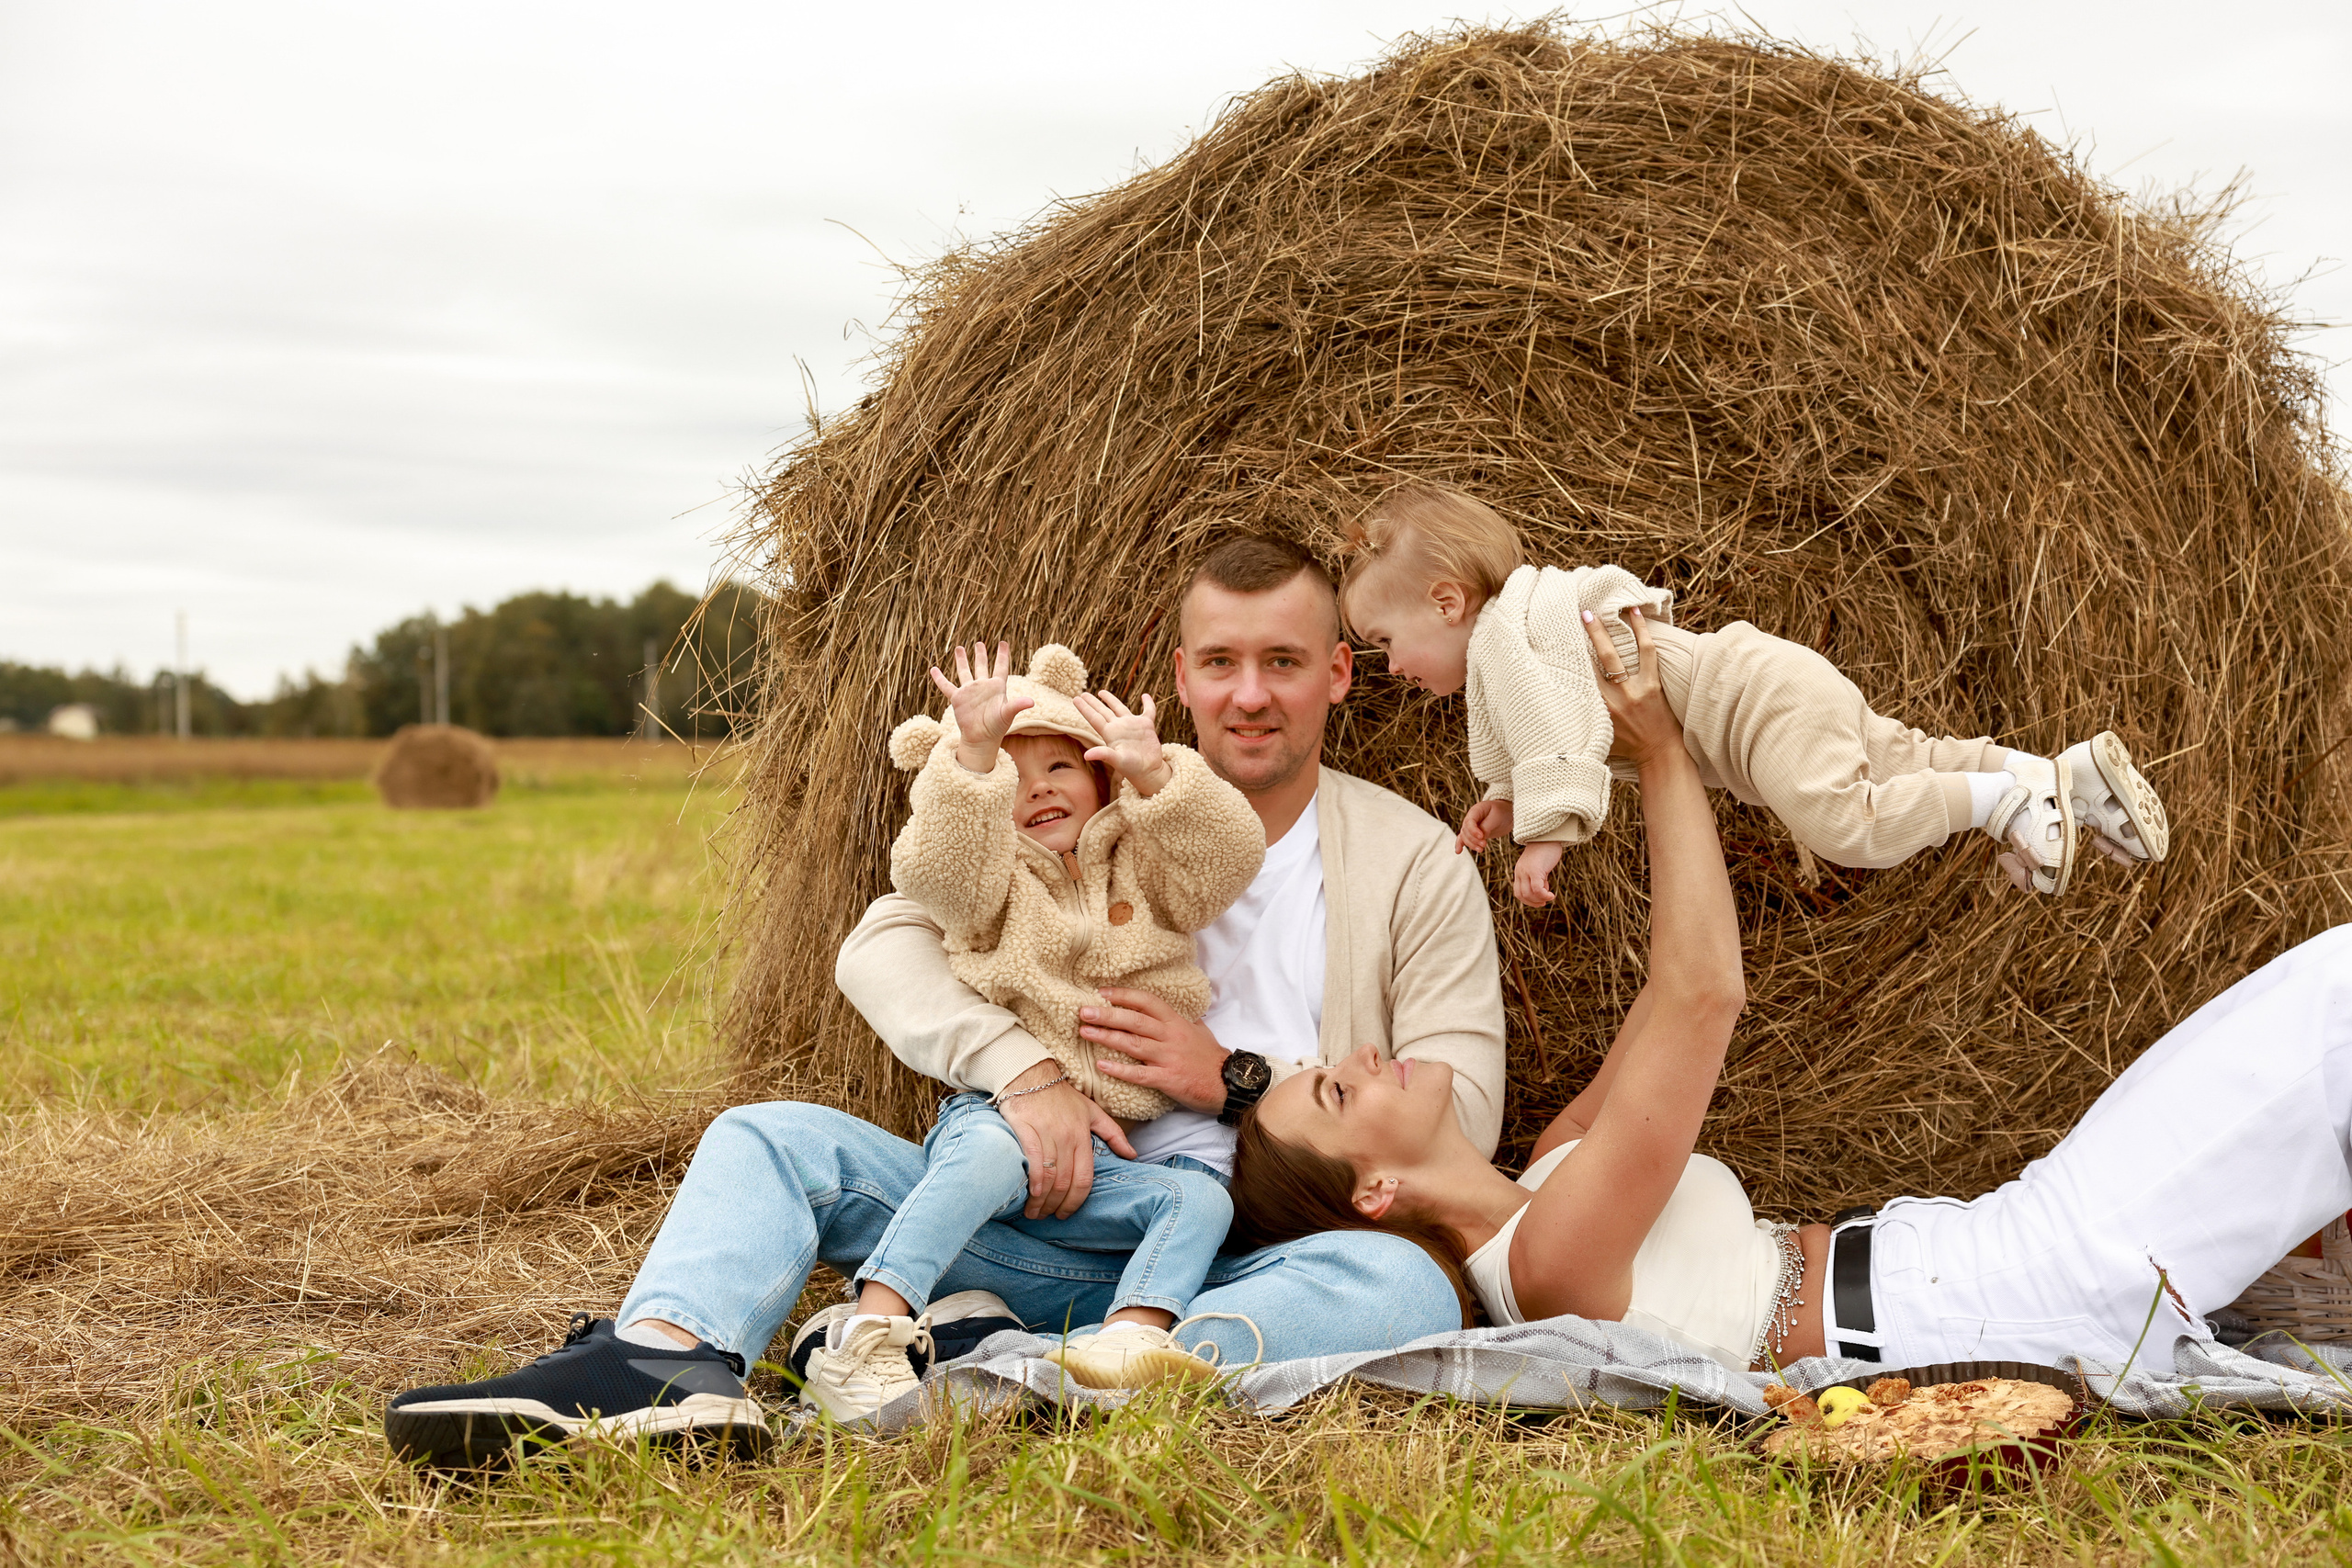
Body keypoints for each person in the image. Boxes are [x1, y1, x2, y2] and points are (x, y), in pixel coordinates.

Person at [383, 535, 1508, 1468]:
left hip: (1235, 1257)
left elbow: (1465, 1118)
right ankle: (669, 1364)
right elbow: (879, 947)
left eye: (1283, 662)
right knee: (766, 1141)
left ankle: (1022, 1369)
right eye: (1221, 662)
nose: (1249, 696)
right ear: (1178, 676)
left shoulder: (1409, 862)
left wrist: (1233, 1085)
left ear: (1338, 675)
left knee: (1399, 1282)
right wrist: (1027, 1075)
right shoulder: (1073, 811)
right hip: (1031, 1212)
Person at [1228, 604, 2351, 1382]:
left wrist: (1565, 783)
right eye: (1333, 1091)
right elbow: (1703, 997)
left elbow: (1677, 989)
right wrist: (1663, 751)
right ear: (1372, 1192)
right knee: (2328, 1007)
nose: (1361, 1055)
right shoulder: (1547, 1263)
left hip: (1987, 1255)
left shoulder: (1548, 1181)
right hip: (2007, 1298)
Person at [801, 637, 1263, 1417]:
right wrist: (973, 759)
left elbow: (1229, 859)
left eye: (1059, 766)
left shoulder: (1143, 866)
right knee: (983, 1152)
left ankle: (1128, 1336)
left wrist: (1156, 774)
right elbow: (933, 869)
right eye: (1014, 778)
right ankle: (874, 1327)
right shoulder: (989, 887)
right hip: (1004, 1118)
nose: (1040, 788)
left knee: (1202, 1200)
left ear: (1098, 774)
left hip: (1104, 1151)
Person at [1340, 480, 2169, 905]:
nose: (1392, 668)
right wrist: (1507, 797)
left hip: (1754, 704)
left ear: (1448, 601)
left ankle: (1999, 806)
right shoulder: (1526, 624)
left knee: (1847, 825)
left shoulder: (1501, 637)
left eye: (1384, 642)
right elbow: (1551, 718)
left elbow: (1556, 727)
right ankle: (2062, 776)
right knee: (1905, 758)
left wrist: (1547, 834)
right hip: (1767, 678)